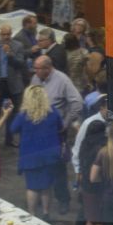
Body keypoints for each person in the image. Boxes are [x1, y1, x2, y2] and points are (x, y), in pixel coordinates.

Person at [30, 55, 83, 212]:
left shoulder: (62, 80)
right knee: (39, 164)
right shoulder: (35, 78)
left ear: (48, 68)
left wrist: (65, 123)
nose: (34, 71)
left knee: (58, 167)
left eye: (38, 68)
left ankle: (63, 199)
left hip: (56, 133)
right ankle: (40, 195)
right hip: (38, 130)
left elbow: (77, 102)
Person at [10, 85, 64, 218]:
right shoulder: (53, 112)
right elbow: (61, 127)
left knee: (32, 187)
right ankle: (46, 213)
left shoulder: (23, 115)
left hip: (30, 156)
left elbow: (12, 129)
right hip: (49, 155)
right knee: (47, 186)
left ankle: (32, 214)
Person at [0, 25, 26, 146]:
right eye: (3, 34)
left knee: (11, 111)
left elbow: (21, 63)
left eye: (8, 34)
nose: (6, 37)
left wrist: (10, 54)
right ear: (0, 34)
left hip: (13, 84)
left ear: (11, 34)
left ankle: (9, 139)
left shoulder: (18, 46)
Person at [77, 119, 107, 225]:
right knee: (99, 222)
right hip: (99, 187)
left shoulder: (84, 143)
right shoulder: (102, 147)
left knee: (90, 219)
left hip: (86, 186)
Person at [74, 95, 108, 178]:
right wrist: (78, 170)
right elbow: (78, 147)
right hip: (90, 168)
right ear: (102, 108)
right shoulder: (88, 123)